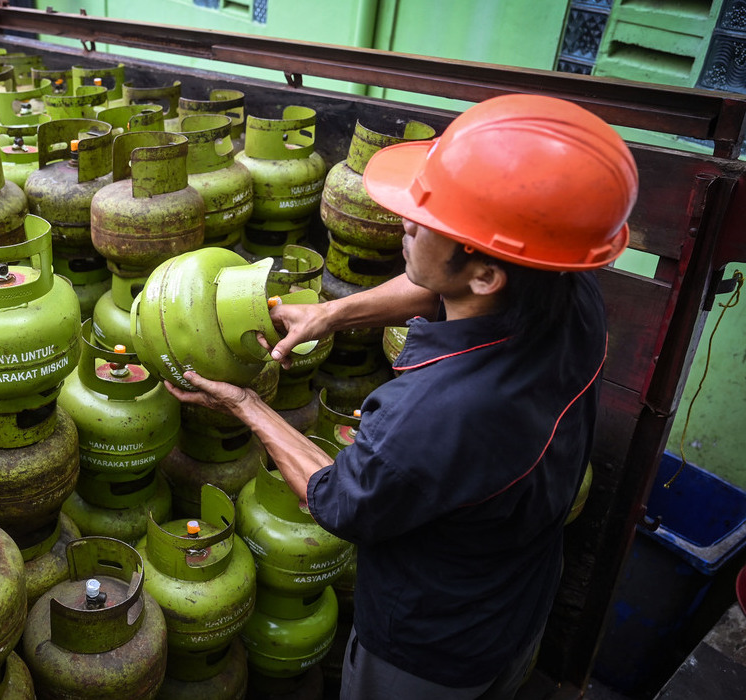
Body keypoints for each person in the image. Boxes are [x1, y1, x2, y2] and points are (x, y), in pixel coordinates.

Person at [164, 94, 638, 700]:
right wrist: (330, 313)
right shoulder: (571, 298)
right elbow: (444, 287)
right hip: (521, 590)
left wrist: (245, 405)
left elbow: (337, 500)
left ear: (486, 273)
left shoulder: (435, 413)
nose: (406, 223)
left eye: (428, 221)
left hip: (431, 646)